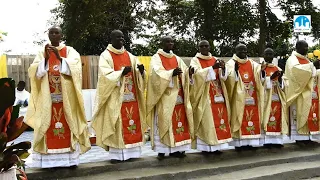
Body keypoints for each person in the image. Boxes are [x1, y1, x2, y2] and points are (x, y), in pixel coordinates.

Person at [25, 25, 91, 168]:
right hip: (47, 98)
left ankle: (70, 160)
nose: (54, 35)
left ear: (61, 35)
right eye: (51, 33)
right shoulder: (42, 52)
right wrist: (46, 60)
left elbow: (76, 69)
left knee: (68, 123)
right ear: (48, 35)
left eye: (57, 33)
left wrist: (61, 59)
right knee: (47, 125)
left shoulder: (70, 51)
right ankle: (49, 162)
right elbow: (34, 72)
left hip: (66, 98)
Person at [91, 30, 146, 162]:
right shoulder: (106, 56)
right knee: (116, 124)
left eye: (122, 37)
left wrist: (141, 72)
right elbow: (105, 76)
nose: (121, 39)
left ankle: (133, 153)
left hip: (131, 97)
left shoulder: (130, 56)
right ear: (111, 39)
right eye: (117, 37)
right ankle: (116, 155)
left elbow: (138, 74)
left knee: (133, 122)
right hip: (116, 98)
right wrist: (121, 73)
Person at [146, 36, 193, 160]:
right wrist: (171, 73)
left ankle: (177, 149)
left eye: (172, 41)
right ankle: (162, 150)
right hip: (164, 97)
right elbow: (155, 75)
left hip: (178, 97)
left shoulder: (177, 58)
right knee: (164, 121)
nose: (170, 43)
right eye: (167, 41)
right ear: (162, 43)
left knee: (179, 122)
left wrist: (190, 73)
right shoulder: (156, 58)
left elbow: (185, 72)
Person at [189, 40, 232, 154]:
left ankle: (219, 146)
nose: (204, 48)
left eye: (206, 46)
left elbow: (224, 77)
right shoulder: (195, 60)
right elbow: (196, 75)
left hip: (218, 93)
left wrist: (223, 69)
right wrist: (212, 68)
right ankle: (206, 147)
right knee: (207, 120)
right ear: (198, 48)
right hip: (205, 95)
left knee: (220, 119)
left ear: (209, 47)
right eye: (201, 46)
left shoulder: (215, 59)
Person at [225, 43, 265, 151]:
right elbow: (228, 79)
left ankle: (250, 142)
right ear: (236, 51)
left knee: (252, 117)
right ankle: (239, 144)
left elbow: (259, 74)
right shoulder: (231, 63)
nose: (243, 52)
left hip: (252, 97)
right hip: (238, 98)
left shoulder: (252, 63)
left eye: (245, 50)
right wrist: (235, 72)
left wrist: (262, 70)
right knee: (240, 117)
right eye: (241, 50)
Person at [283, 40, 320, 145]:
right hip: (297, 94)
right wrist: (312, 65)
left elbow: (311, 74)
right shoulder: (292, 59)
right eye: (304, 47)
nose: (306, 49)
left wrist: (317, 69)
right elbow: (296, 72)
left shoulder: (306, 60)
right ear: (297, 47)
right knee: (298, 115)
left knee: (307, 115)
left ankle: (308, 137)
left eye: (307, 47)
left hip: (307, 94)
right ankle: (299, 138)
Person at [260, 48, 288, 148]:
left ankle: (277, 141)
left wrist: (280, 79)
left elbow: (284, 85)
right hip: (266, 99)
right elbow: (259, 83)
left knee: (278, 118)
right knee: (266, 118)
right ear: (263, 55)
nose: (269, 56)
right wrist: (270, 79)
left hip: (277, 97)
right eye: (267, 54)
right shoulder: (260, 69)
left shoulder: (278, 69)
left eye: (271, 54)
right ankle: (266, 141)